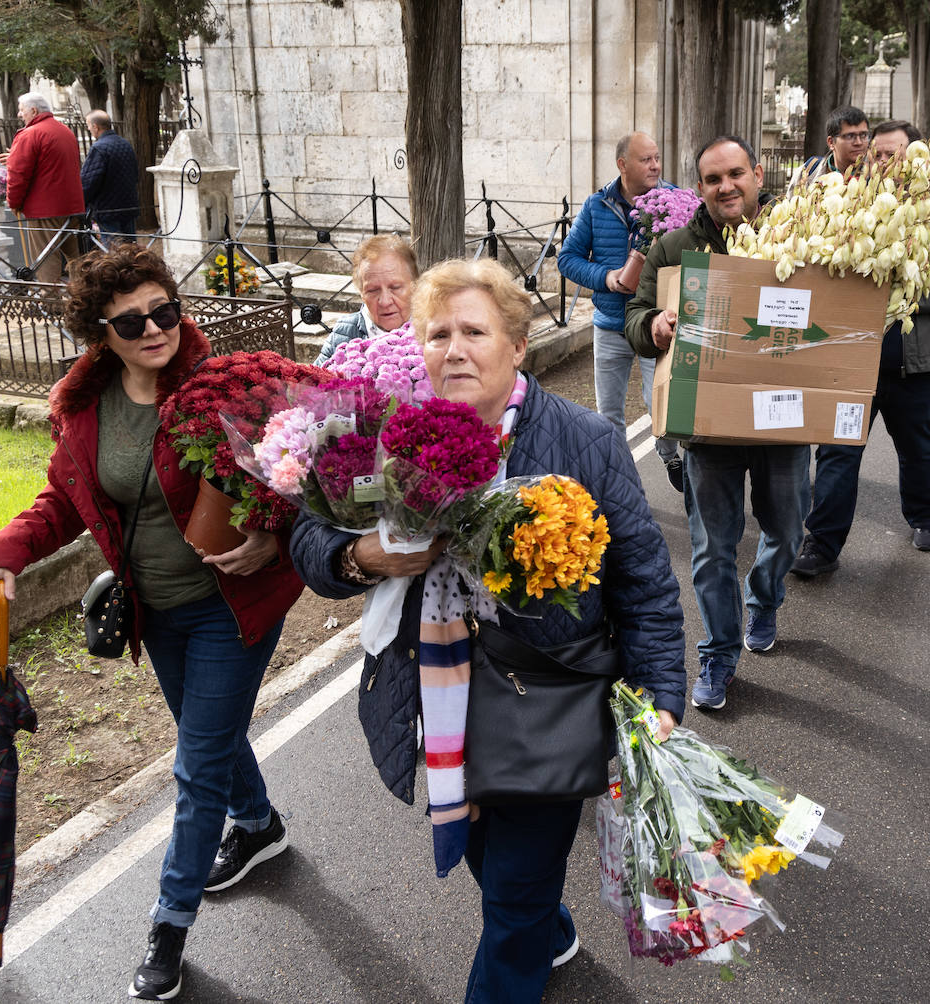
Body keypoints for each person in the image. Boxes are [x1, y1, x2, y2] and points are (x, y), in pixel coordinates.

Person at [292, 258, 685, 1004]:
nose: (454, 349)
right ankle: (548, 925)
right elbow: (309, 539)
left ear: (517, 346)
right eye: (437, 332)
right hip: (439, 701)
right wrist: (363, 554)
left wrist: (661, 689)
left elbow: (643, 579)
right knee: (483, 853)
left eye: (475, 330)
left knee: (510, 899)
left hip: (548, 698)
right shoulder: (385, 436)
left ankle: (527, 935)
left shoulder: (585, 441)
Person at [0, 244, 303, 1001]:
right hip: (155, 612)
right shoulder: (88, 409)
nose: (155, 329)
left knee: (195, 764)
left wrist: (270, 535)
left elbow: (298, 474)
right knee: (206, 737)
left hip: (231, 605)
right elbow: (63, 500)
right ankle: (257, 826)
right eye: (132, 321)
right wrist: (7, 551)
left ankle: (168, 925)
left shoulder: (225, 386)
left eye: (165, 311)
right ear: (99, 332)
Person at [625, 135, 806, 712]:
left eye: (735, 174)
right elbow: (635, 314)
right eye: (712, 178)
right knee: (711, 549)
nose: (726, 186)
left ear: (756, 173)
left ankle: (765, 596)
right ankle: (719, 655)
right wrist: (654, 325)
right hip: (707, 422)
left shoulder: (802, 234)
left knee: (788, 527)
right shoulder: (674, 246)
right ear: (698, 186)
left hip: (783, 418)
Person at [792, 121, 930, 576]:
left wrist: (909, 293)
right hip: (852, 360)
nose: (887, 163)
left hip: (913, 363)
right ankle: (821, 546)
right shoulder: (847, 206)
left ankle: (922, 516)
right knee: (839, 452)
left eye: (897, 153)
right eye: (878, 155)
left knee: (916, 444)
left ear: (918, 156)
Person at [557, 131, 683, 488]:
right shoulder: (597, 206)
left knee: (661, 405)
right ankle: (626, 485)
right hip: (611, 325)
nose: (655, 165)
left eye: (657, 157)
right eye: (647, 159)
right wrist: (608, 277)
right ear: (623, 165)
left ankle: (670, 456)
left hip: (653, 326)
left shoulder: (674, 201)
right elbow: (567, 259)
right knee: (609, 416)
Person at [4, 92, 85, 284]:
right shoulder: (64, 130)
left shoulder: (30, 134)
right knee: (76, 259)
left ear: (33, 110)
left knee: (46, 258)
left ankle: (52, 306)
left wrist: (13, 203)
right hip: (71, 206)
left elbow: (18, 175)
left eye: (22, 110)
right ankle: (86, 297)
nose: (19, 114)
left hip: (44, 209)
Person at [313, 234, 419, 364]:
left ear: (415, 286)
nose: (385, 301)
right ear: (362, 294)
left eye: (395, 287)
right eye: (373, 290)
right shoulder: (343, 334)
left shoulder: (437, 331)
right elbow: (313, 381)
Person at [81, 109, 140, 244]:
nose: (88, 129)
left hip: (108, 210)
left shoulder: (99, 148)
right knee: (130, 249)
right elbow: (135, 175)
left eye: (88, 125)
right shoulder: (125, 144)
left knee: (115, 254)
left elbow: (88, 182)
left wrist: (82, 203)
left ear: (95, 127)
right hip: (128, 206)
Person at [794, 105, 870, 184]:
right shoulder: (808, 172)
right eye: (850, 136)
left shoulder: (875, 177)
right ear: (831, 142)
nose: (858, 142)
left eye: (863, 135)